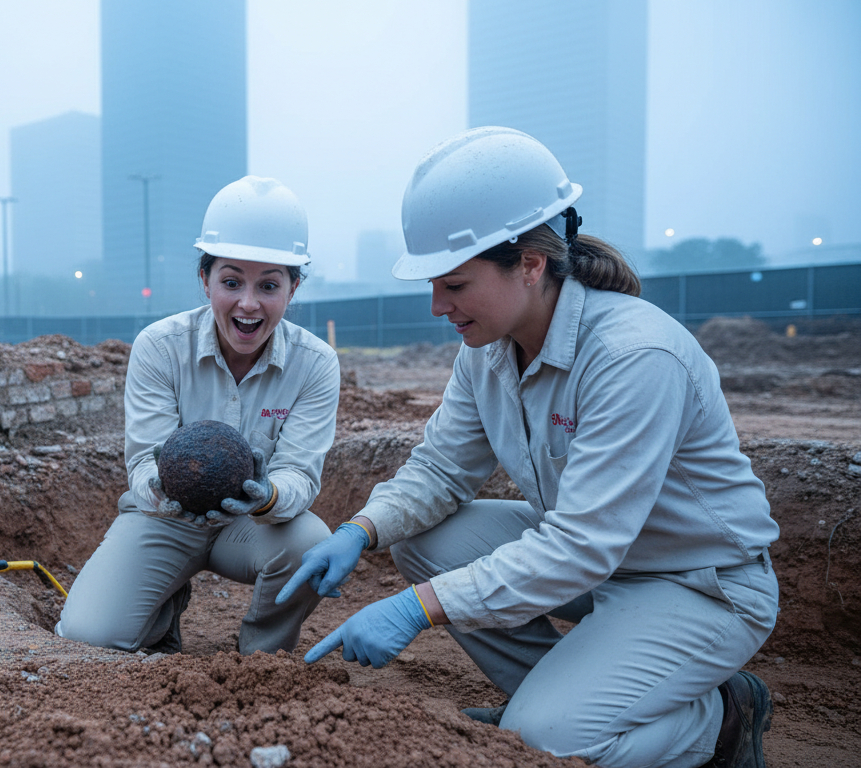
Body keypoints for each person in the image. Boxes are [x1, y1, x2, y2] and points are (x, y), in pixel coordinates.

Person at [278, 127, 779, 768]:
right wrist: (361, 529)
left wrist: (416, 609)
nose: (437, 306)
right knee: (425, 539)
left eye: (454, 285)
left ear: (531, 264)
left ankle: (720, 719)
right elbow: (440, 470)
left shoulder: (633, 357)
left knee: (546, 745)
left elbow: (581, 545)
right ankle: (553, 701)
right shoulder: (488, 351)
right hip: (600, 563)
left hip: (695, 584)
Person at [56, 176, 340, 655]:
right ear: (205, 280)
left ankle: (264, 656)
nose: (248, 303)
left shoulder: (314, 364)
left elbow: (299, 475)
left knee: (312, 541)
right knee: (90, 637)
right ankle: (164, 606)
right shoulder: (160, 347)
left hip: (255, 525)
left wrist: (264, 495)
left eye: (269, 285)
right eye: (231, 282)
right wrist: (166, 486)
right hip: (165, 516)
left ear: (293, 289)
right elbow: (145, 461)